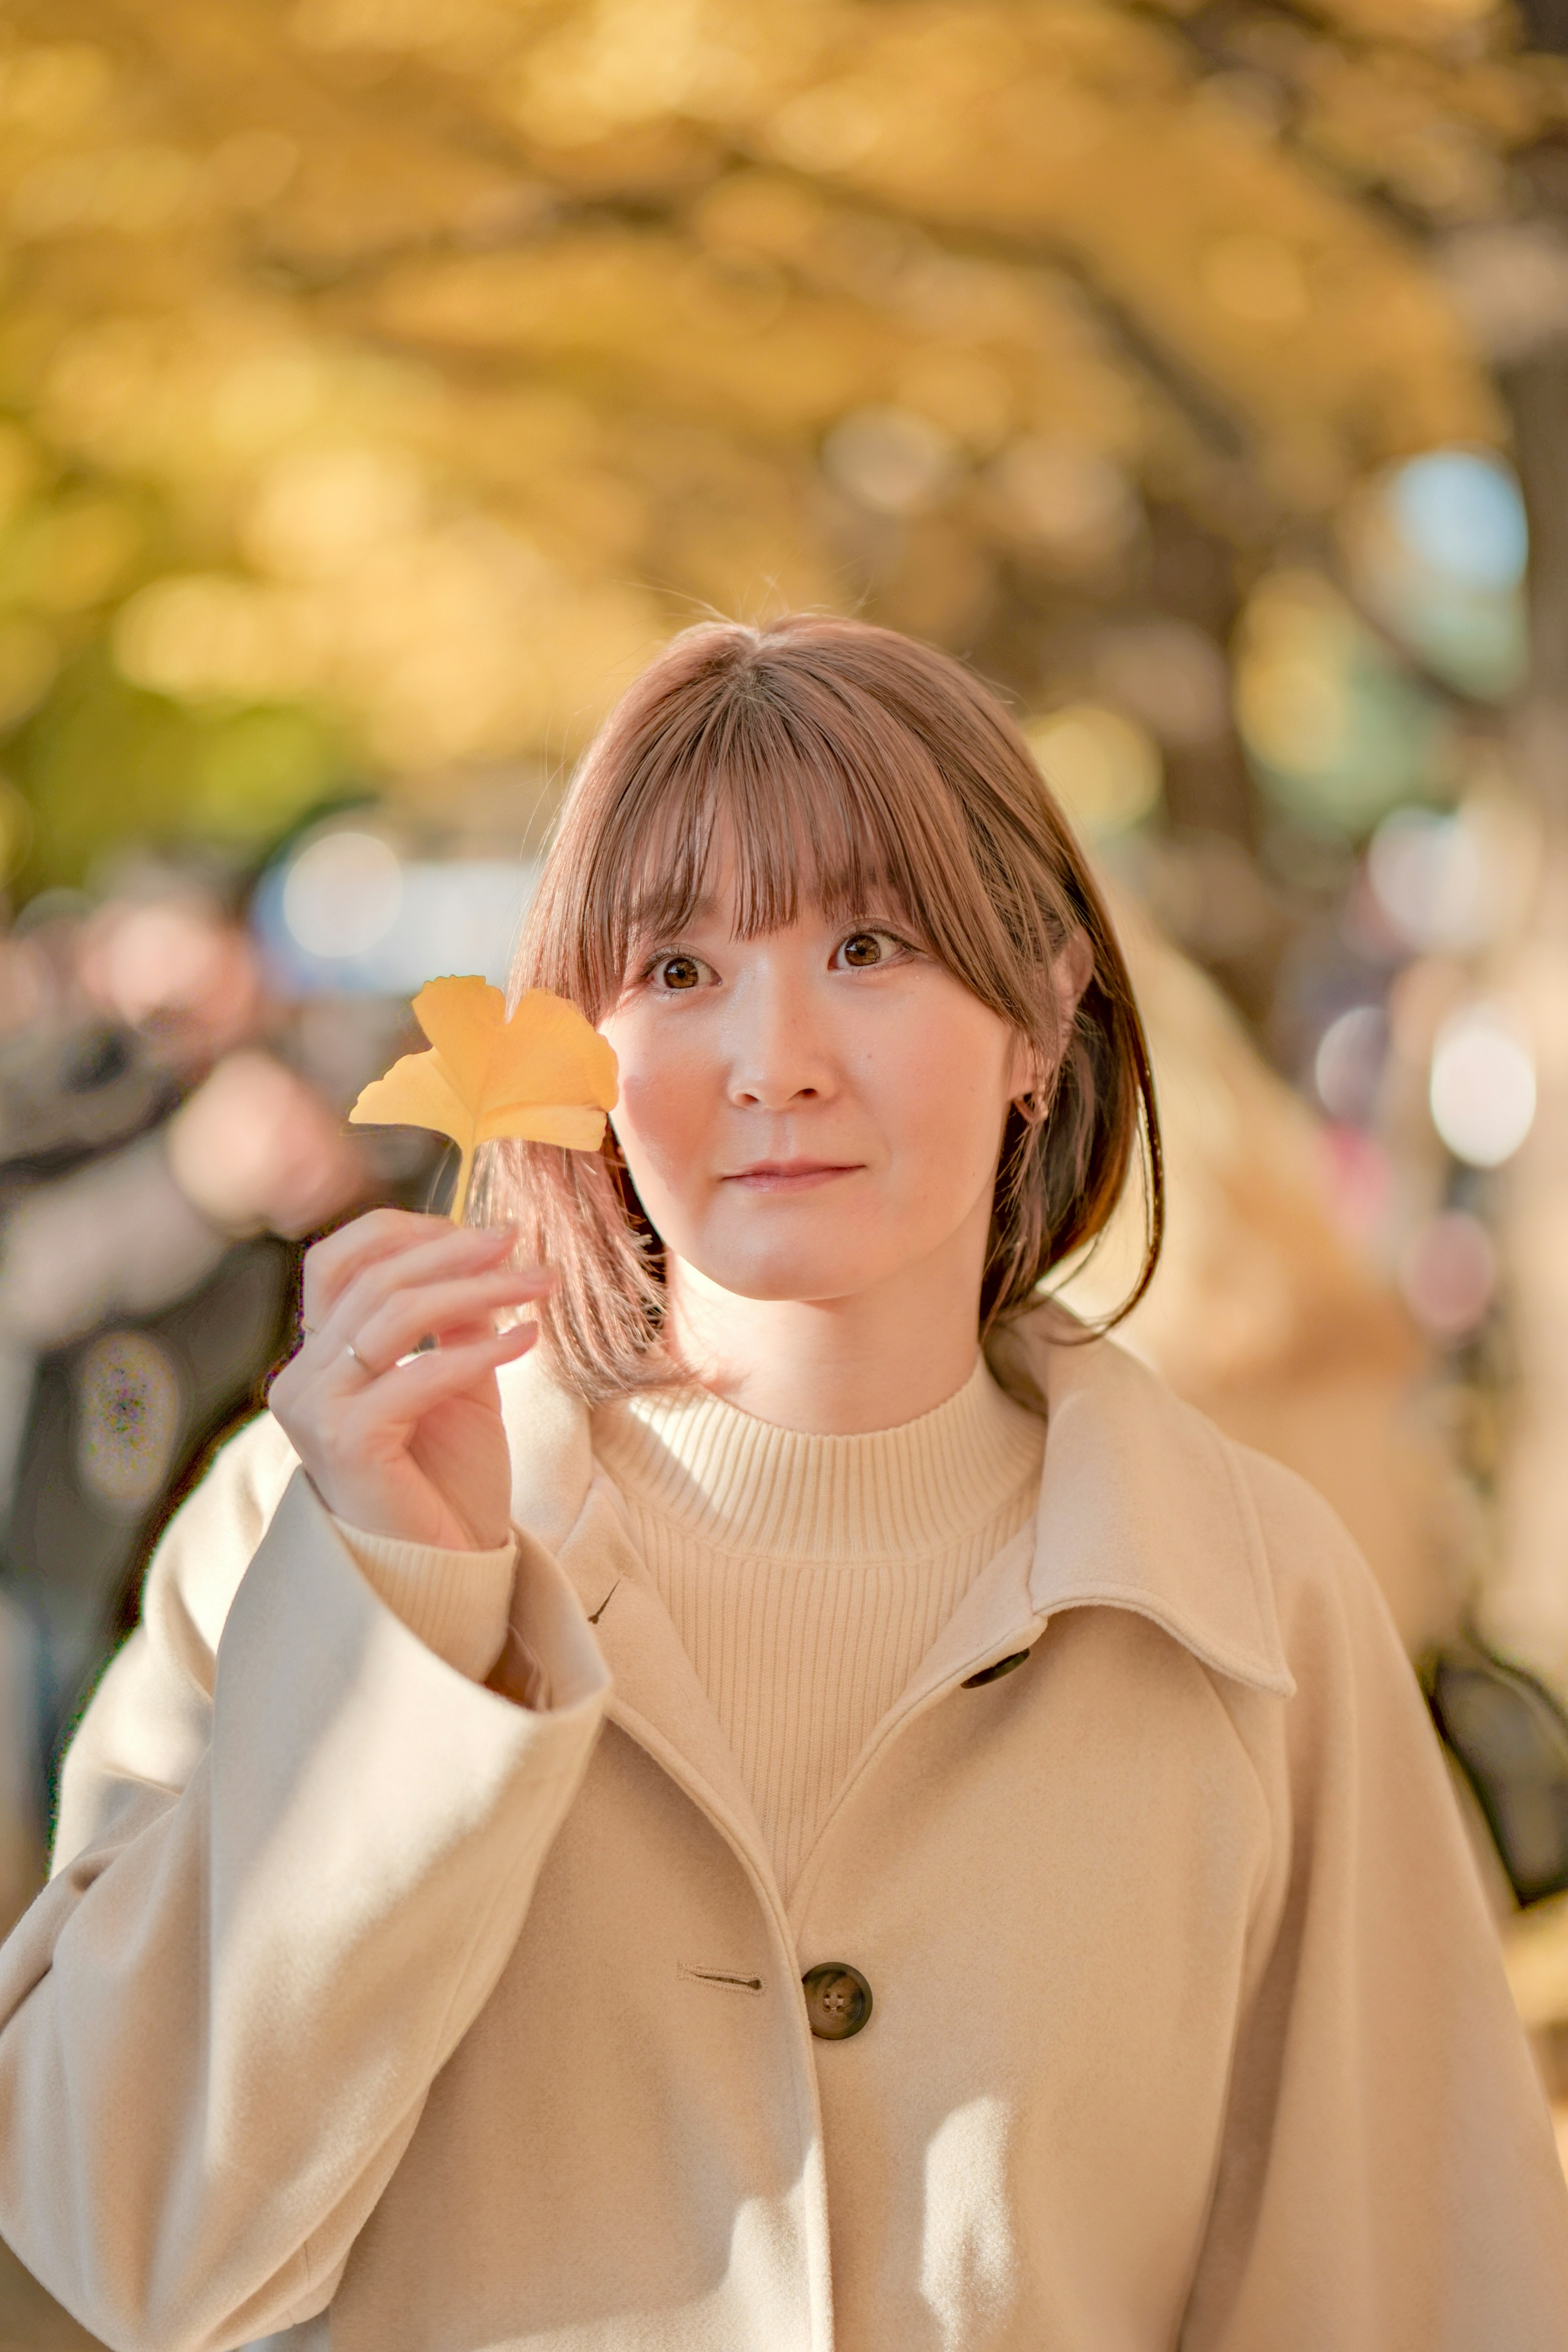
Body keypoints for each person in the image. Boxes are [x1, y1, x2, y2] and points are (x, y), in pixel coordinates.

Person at [0, 615, 1565, 2352]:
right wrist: (397, 1620)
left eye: (871, 943)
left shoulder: (1252, 1606)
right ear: (579, 1039)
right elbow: (117, 2246)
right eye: (677, 971)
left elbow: (1412, 2286)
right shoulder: (310, 1525)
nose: (775, 1058)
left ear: (1045, 1010)